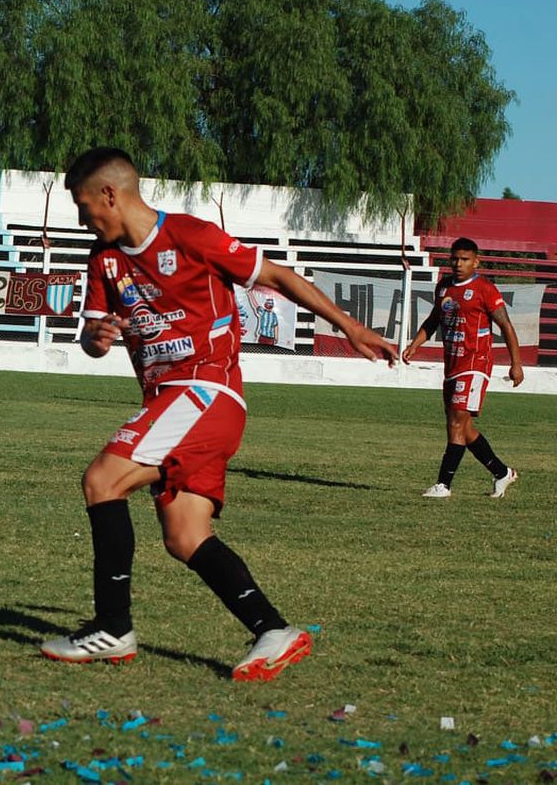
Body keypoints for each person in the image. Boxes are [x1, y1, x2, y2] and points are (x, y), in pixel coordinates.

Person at [38, 147, 397, 680]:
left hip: (206, 390)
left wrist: (350, 328)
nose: (81, 217)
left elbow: (277, 277)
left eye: (83, 205)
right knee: (185, 535)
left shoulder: (189, 235)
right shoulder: (103, 259)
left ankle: (113, 627)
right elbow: (93, 339)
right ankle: (273, 631)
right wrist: (94, 336)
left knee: (102, 480)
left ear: (111, 195)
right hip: (171, 401)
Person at [403, 237, 524, 498]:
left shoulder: (485, 289)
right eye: (455, 258)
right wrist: (415, 345)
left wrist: (516, 364)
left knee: (456, 425)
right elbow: (434, 320)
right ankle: (502, 473)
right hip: (453, 364)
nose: (459, 264)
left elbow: (506, 326)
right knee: (465, 429)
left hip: (475, 363)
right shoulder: (444, 287)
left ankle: (443, 485)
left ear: (476, 261)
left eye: (465, 259)